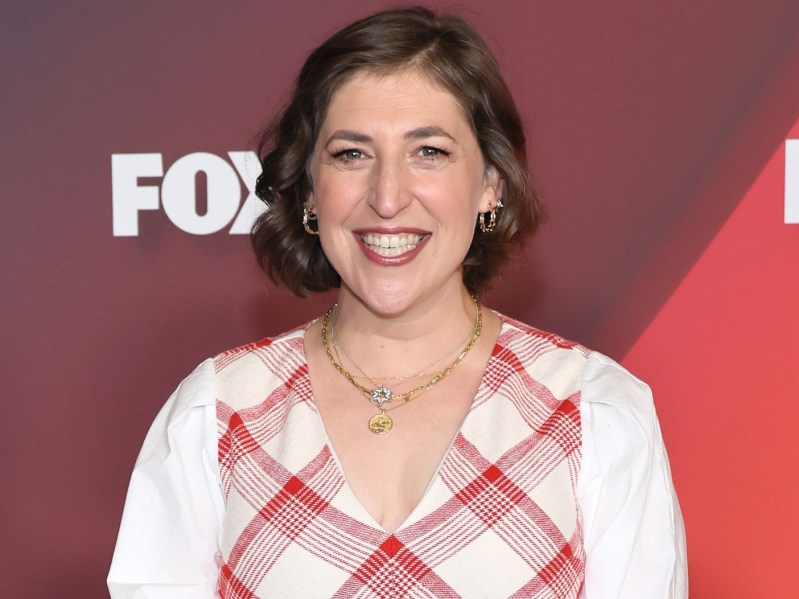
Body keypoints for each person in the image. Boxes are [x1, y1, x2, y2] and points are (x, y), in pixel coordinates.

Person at [108, 6, 687, 598]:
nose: (387, 197)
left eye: (428, 151)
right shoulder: (217, 413)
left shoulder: (594, 412)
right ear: (309, 189)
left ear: (491, 184)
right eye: (351, 154)